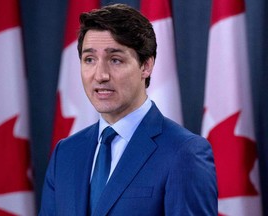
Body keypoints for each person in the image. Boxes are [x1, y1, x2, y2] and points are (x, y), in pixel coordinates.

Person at [39, 3, 217, 216]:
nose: (100, 75)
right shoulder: (65, 154)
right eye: (89, 60)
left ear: (146, 66)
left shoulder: (184, 153)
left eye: (115, 60)